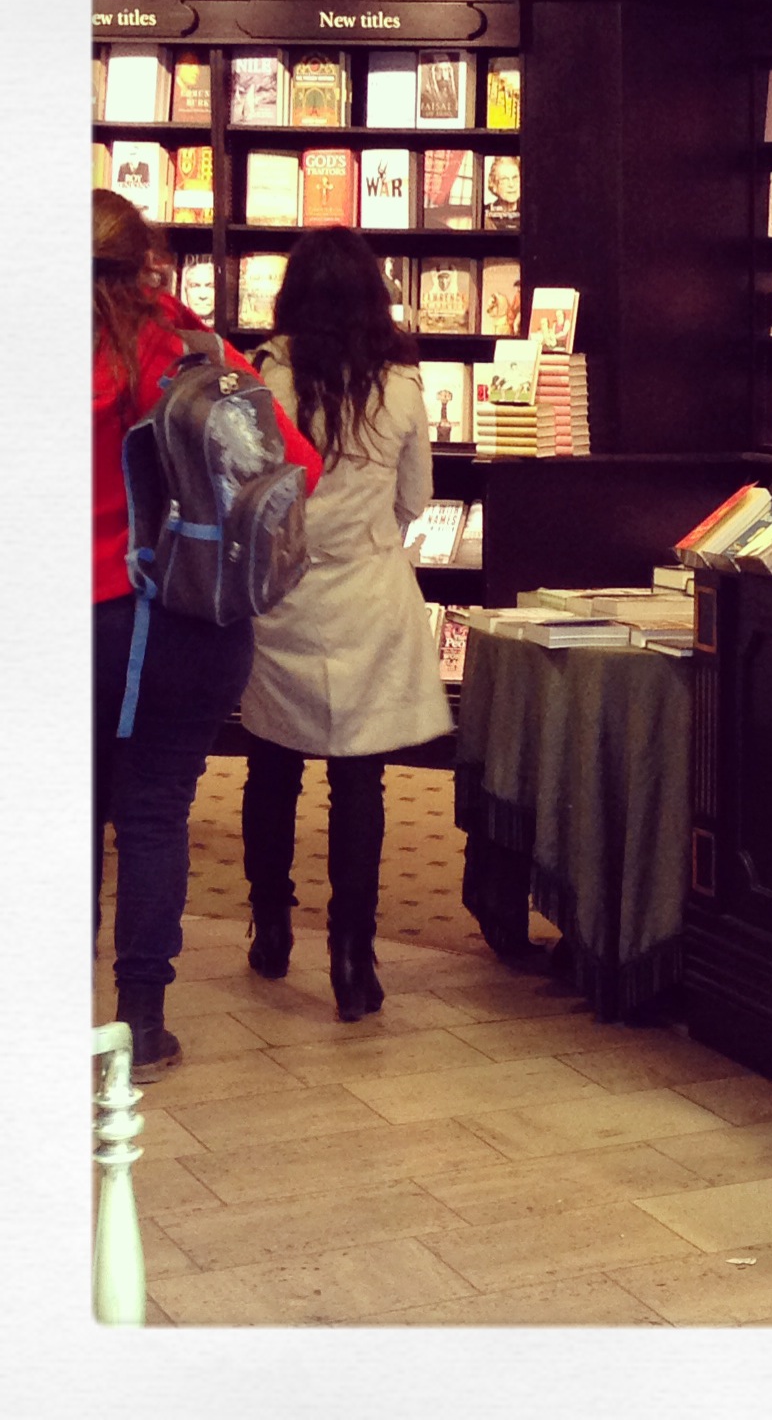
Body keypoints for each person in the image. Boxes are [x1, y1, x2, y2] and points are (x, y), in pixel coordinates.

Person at [93, 189, 321, 1079]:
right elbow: (300, 468)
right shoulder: (193, 351)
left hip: (65, 628)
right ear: (147, 262)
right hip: (187, 622)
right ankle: (142, 1025)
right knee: (156, 814)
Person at [240, 227, 450, 1020]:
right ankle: (353, 957)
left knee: (271, 767)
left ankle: (270, 928)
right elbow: (414, 499)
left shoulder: (263, 382)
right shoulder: (401, 387)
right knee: (360, 781)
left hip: (283, 597)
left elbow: (246, 494)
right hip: (367, 595)